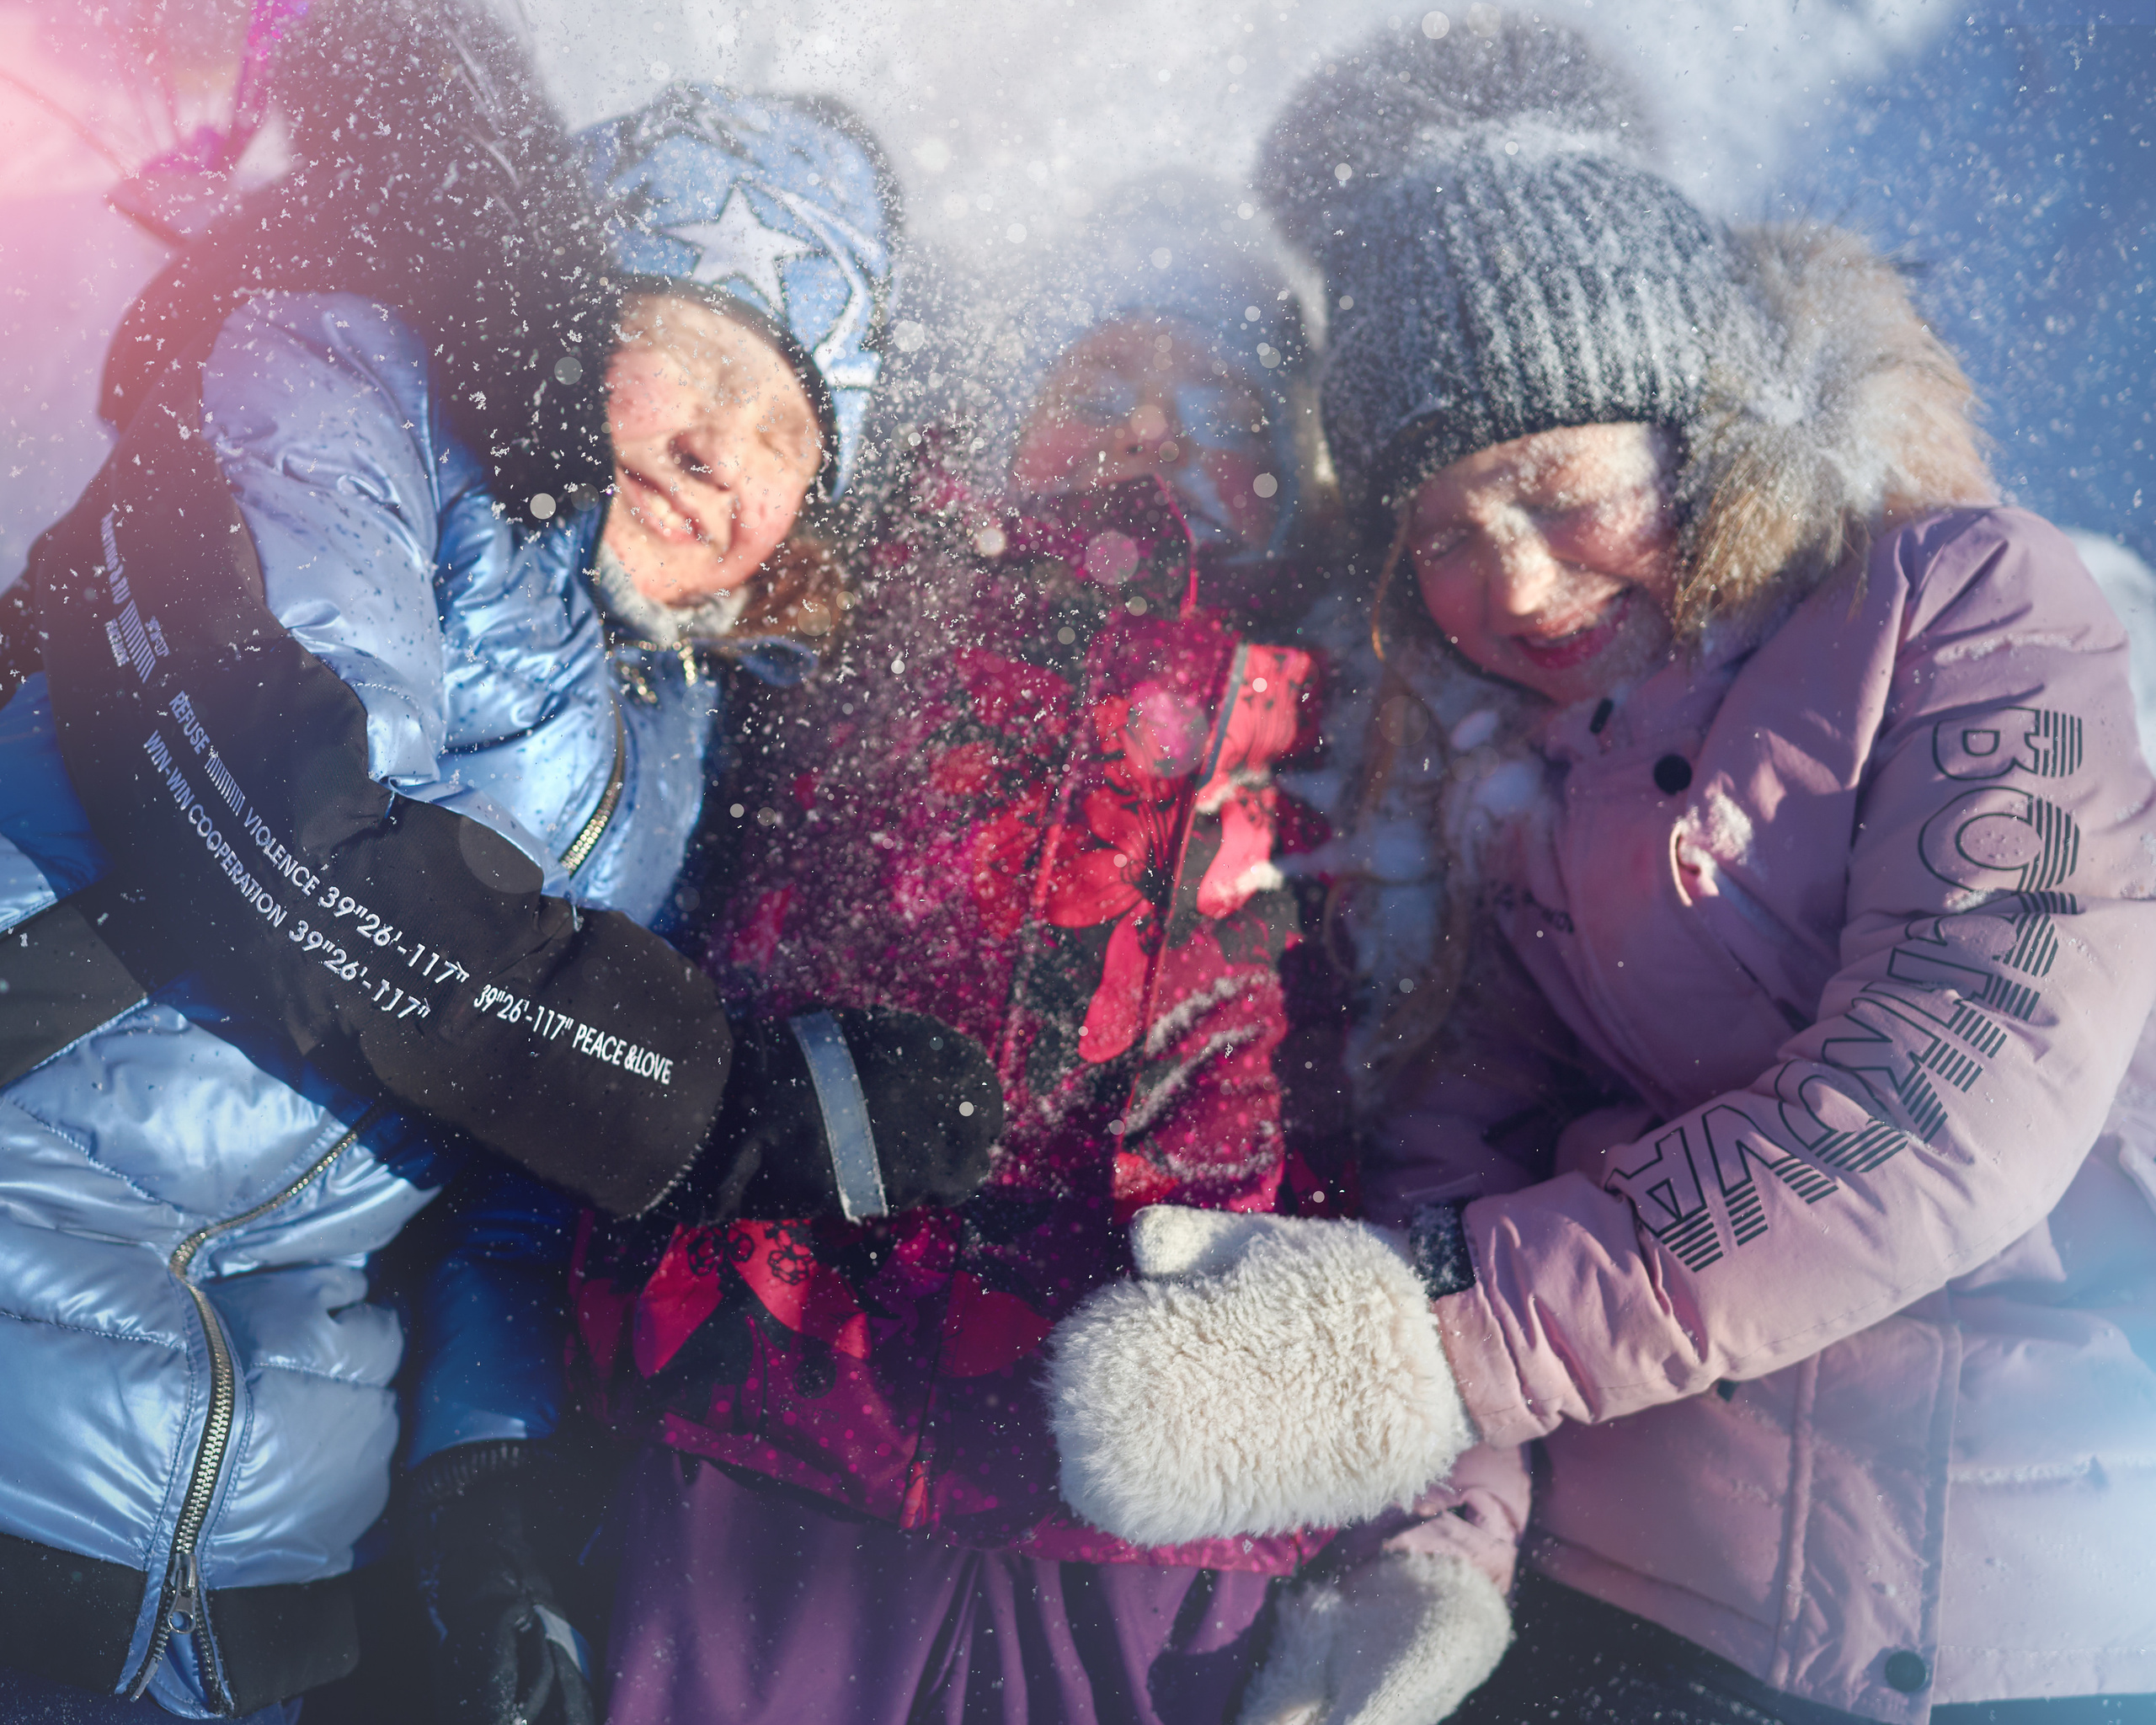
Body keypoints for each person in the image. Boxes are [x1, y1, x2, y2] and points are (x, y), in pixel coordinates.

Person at [1045, 19, 2156, 1725]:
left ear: (1690, 439)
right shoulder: (1498, 767)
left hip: (2034, 1599)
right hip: (1637, 1597)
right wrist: (1435, 1539)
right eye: (1439, 534)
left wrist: (1428, 1348)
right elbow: (1460, 1146)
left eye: (1553, 489)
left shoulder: (1965, 605)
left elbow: (1954, 1084)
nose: (1510, 581)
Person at [0, 4, 997, 1717]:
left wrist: (486, 1508)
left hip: (245, 1552)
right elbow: (291, 847)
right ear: (562, 308)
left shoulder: (681, 741)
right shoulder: (341, 385)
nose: (717, 447)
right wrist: (706, 1099)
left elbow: (510, 1193)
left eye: (784, 434)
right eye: (694, 357)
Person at [563, 176, 1337, 1725]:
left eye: (1219, 401)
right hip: (776, 1394)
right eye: (1096, 384)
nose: (1156, 433)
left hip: (1156, 1465)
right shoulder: (877, 601)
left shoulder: (1353, 692)